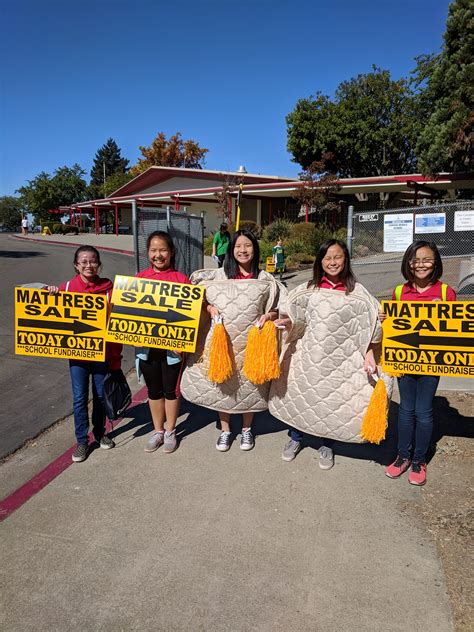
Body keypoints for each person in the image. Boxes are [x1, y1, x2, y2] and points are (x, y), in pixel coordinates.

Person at [270, 239, 383, 470]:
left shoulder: (358, 293)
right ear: (320, 261)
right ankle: (295, 437)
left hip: (340, 360)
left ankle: (327, 444)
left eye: (338, 257)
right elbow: (296, 316)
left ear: (346, 259)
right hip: (308, 355)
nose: (333, 262)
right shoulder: (307, 289)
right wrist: (287, 321)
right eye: (327, 257)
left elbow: (369, 326)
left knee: (331, 402)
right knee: (302, 397)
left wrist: (375, 334)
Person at [181, 229, 286, 452]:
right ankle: (226, 430)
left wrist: (269, 316)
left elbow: (280, 308)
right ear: (231, 250)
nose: (243, 250)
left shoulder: (264, 279)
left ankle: (247, 430)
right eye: (238, 246)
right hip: (221, 342)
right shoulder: (217, 277)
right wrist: (209, 308)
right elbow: (196, 299)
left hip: (253, 343)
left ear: (255, 249)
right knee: (223, 385)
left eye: (248, 245)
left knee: (251, 386)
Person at [384, 240, 456, 486]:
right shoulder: (398, 292)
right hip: (404, 363)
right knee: (405, 411)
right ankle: (402, 456)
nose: (421, 264)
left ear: (435, 262)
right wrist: (385, 316)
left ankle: (419, 459)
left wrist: (444, 312)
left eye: (427, 259)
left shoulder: (446, 292)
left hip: (431, 364)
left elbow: (456, 333)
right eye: (416, 260)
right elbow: (390, 328)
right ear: (408, 263)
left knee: (423, 412)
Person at [46, 246, 122, 463]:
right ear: (76, 265)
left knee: (100, 397)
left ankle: (99, 433)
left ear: (99, 264)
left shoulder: (110, 289)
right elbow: (47, 312)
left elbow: (120, 318)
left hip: (101, 354)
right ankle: (82, 440)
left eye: (93, 261)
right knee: (79, 399)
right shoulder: (67, 288)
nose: (89, 265)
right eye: (84, 262)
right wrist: (51, 293)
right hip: (78, 357)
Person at [136, 231, 191, 455]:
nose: (158, 255)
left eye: (163, 250)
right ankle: (157, 431)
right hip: (146, 348)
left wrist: (183, 343)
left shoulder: (181, 280)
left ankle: (170, 431)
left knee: (171, 390)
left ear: (171, 252)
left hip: (172, 349)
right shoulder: (139, 279)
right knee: (153, 390)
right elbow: (128, 313)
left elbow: (192, 316)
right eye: (153, 250)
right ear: (148, 253)